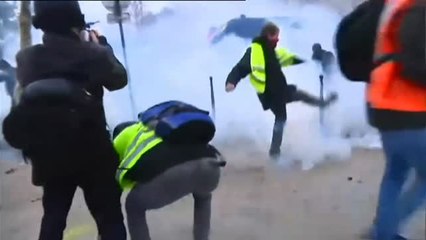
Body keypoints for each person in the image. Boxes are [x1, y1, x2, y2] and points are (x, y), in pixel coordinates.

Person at [6, 1, 128, 239]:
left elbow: (22, 96)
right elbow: (119, 80)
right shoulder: (93, 53)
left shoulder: (26, 59)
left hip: (50, 155)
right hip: (93, 151)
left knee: (53, 219)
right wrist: (103, 46)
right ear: (75, 23)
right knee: (110, 219)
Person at [225, 22, 338, 159]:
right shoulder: (254, 51)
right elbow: (240, 68)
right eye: (276, 37)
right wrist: (231, 81)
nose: (278, 40)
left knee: (300, 97)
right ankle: (274, 152)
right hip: (270, 94)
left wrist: (305, 61)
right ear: (268, 35)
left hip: (281, 90)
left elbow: (287, 59)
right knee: (281, 118)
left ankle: (323, 103)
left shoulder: (270, 50)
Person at [362, 0, 426, 239]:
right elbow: (417, 64)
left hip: (383, 106)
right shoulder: (418, 10)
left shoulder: (390, 9)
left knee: (395, 174)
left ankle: (383, 233)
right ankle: (385, 230)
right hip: (413, 111)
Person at [113, 112, 225, 240]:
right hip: (211, 164)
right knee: (203, 196)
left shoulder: (122, 136)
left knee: (133, 204)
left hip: (173, 171)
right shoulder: (157, 128)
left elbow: (108, 172)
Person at [208, 14, 300, 45]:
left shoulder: (227, 25)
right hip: (258, 28)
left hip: (259, 26)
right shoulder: (229, 25)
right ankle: (297, 23)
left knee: (279, 23)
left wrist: (212, 42)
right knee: (279, 22)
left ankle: (297, 23)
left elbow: (221, 35)